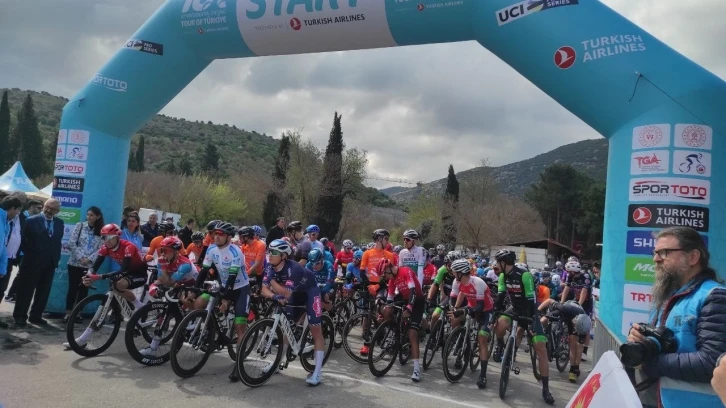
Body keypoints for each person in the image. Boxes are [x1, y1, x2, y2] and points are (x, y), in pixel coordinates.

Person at [626, 227, 726, 408]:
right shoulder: (668, 296)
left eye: (664, 252)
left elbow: (713, 361)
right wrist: (640, 338)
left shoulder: (715, 296)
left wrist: (649, 363)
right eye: (655, 253)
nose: (656, 259)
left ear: (693, 257)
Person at [492, 249, 554, 405]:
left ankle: (546, 389)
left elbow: (531, 300)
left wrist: (530, 321)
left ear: (504, 262)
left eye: (498, 262)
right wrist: (494, 314)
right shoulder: (503, 276)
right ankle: (500, 346)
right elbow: (500, 296)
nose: (496, 265)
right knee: (498, 326)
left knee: (541, 349)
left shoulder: (524, 275)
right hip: (514, 308)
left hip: (529, 312)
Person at [261, 239, 326, 386]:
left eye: (274, 252)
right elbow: (263, 290)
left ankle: (317, 372)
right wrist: (274, 296)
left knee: (316, 330)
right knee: (287, 328)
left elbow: (286, 293)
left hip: (310, 291)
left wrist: (271, 281)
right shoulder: (270, 267)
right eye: (269, 251)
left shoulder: (293, 269)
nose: (270, 255)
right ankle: (277, 363)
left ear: (284, 256)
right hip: (295, 293)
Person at [142, 236, 198, 356]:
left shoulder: (185, 264)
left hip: (194, 285)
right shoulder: (163, 260)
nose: (162, 253)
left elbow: (169, 282)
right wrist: (153, 287)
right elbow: (160, 280)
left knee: (184, 300)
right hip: (179, 284)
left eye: (166, 250)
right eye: (161, 250)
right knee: (166, 313)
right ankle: (153, 347)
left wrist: (163, 270)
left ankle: (194, 321)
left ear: (176, 252)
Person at [13, 198, 64, 327]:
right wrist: (30, 253)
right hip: (31, 262)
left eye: (53, 209)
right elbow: (22, 240)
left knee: (43, 292)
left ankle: (36, 316)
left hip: (50, 263)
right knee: (26, 291)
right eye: (47, 207)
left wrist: (55, 258)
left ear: (57, 211)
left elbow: (57, 242)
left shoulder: (59, 223)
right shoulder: (30, 221)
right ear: (43, 206)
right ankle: (20, 316)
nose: (49, 211)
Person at [448, 258, 494, 388]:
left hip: (486, 310)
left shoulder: (477, 282)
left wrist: (463, 310)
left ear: (460, 273)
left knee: (481, 338)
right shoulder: (457, 282)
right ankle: (462, 344)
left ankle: (483, 375)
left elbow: (480, 307)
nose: (453, 274)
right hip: (472, 306)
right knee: (457, 319)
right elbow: (453, 298)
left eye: (454, 272)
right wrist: (454, 309)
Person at [378, 258, 425, 382]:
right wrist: (383, 308)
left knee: (412, 333)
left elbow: (413, 291)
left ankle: (416, 369)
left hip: (417, 300)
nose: (385, 277)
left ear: (389, 268)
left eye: (385, 274)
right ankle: (393, 335)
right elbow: (390, 299)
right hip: (404, 299)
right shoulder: (392, 280)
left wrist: (410, 307)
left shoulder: (405, 271)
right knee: (387, 310)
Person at [64, 206, 104, 323]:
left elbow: (101, 249)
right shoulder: (80, 225)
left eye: (92, 215)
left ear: (98, 216)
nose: (89, 217)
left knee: (84, 289)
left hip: (89, 265)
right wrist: (81, 257)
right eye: (88, 214)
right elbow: (71, 243)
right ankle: (68, 313)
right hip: (75, 263)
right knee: (72, 288)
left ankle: (78, 313)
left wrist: (89, 259)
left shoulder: (102, 231)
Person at [538, 299, 592, 383]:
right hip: (566, 312)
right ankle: (548, 336)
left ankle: (574, 368)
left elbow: (580, 348)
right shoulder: (564, 309)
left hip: (579, 319)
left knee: (578, 345)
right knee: (543, 320)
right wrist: (537, 312)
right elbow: (549, 301)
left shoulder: (585, 324)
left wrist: (576, 367)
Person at [0, 196, 27, 305]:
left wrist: (2, 268)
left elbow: (3, 247)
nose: (18, 214)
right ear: (12, 208)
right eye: (18, 210)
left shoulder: (5, 221)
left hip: (7, 260)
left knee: (2, 288)